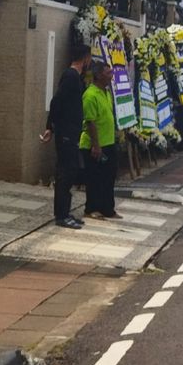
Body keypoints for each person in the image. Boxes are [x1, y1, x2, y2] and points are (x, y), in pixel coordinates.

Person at [41, 43, 92, 229]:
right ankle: (61, 215)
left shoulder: (77, 78)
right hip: (66, 133)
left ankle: (65, 212)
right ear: (85, 58)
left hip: (72, 132)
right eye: (89, 58)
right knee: (65, 172)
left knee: (70, 172)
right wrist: (50, 127)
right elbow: (57, 101)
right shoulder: (70, 76)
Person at [81, 60, 122, 220]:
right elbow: (90, 121)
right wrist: (96, 145)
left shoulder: (106, 92)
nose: (111, 76)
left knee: (109, 177)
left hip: (108, 142)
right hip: (95, 144)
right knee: (95, 178)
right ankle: (91, 208)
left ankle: (108, 209)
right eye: (108, 73)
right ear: (98, 75)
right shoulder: (90, 95)